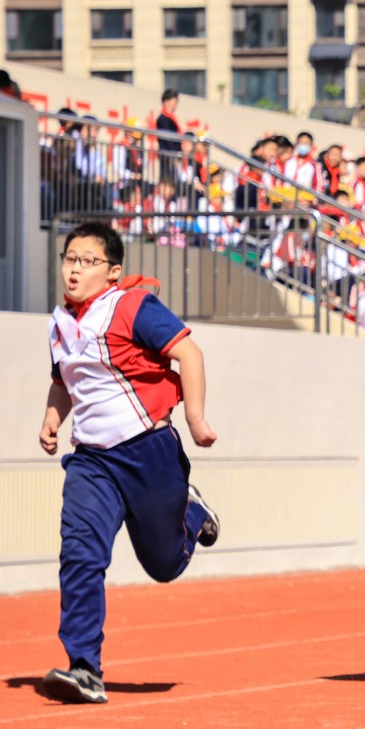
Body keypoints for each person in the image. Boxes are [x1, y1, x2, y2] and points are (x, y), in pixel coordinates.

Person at [38, 222, 221, 704]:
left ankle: (190, 512)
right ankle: (84, 667)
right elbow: (64, 380)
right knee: (80, 553)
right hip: (91, 461)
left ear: (113, 271)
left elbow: (189, 353)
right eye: (69, 259)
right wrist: (52, 419)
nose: (74, 269)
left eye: (87, 261)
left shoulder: (132, 306)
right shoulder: (59, 323)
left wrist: (196, 418)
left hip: (147, 450)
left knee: (163, 565)